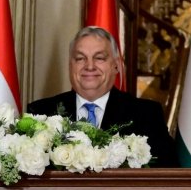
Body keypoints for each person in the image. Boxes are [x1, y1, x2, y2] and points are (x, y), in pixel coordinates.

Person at [27, 26, 178, 167]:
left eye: (99, 58)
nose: (90, 66)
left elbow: (169, 172)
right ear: (70, 65)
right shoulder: (41, 113)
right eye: (80, 58)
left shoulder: (146, 114)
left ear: (116, 65)